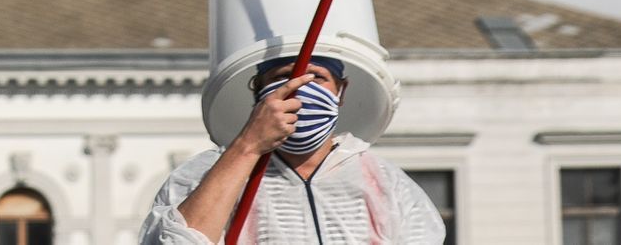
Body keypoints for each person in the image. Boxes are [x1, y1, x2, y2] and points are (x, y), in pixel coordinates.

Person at [140, 55, 445, 244]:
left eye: (317, 77)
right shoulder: (203, 174)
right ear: (259, 91)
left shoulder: (384, 181)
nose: (300, 88)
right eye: (281, 78)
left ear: (341, 91)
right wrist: (248, 146)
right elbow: (174, 241)